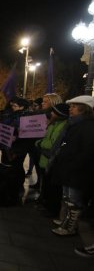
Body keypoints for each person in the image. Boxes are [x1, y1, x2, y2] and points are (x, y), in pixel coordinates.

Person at [50, 95, 94, 236]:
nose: (71, 109)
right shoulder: (74, 123)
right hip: (69, 169)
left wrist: (73, 165)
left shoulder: (88, 126)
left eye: (74, 106)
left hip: (77, 171)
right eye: (71, 106)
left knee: (74, 201)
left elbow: (87, 151)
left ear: (84, 109)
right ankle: (65, 220)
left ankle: (70, 227)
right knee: (67, 198)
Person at [34, 103, 69, 216]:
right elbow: (46, 136)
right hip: (45, 159)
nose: (51, 113)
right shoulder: (54, 123)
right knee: (46, 184)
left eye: (54, 112)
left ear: (59, 114)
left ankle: (51, 209)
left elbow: (52, 143)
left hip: (51, 160)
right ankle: (45, 204)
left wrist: (39, 143)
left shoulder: (62, 126)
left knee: (53, 188)